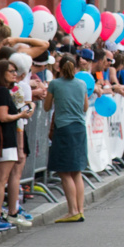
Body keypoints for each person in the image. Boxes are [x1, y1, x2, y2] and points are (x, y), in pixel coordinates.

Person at [0, 59, 33, 228]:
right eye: (10, 71)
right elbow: (3, 116)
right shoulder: (2, 92)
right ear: (1, 73)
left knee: (0, 179)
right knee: (0, 180)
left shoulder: (2, 91)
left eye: (15, 71)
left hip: (5, 140)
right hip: (4, 141)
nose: (15, 74)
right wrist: (20, 116)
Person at [44, 54, 88, 223]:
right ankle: (80, 210)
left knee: (63, 171)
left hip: (63, 128)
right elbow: (84, 107)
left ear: (59, 68)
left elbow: (47, 107)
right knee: (76, 170)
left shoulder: (55, 84)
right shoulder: (82, 83)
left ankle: (72, 210)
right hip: (79, 128)